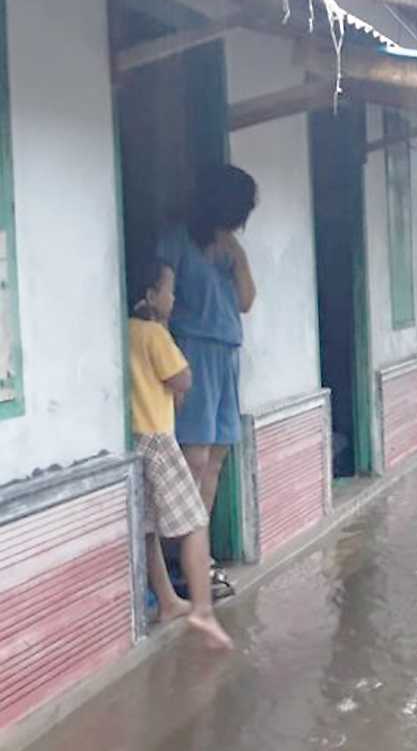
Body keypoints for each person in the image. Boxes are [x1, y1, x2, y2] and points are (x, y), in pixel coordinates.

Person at [157, 164, 258, 594]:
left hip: (225, 353)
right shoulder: (177, 239)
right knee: (192, 458)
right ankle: (177, 560)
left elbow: (247, 301)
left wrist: (238, 257)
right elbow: (162, 301)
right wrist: (168, 361)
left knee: (214, 457)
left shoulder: (231, 248)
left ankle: (199, 555)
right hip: (190, 352)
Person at [129, 260, 234, 650]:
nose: (174, 298)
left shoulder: (123, 330)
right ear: (153, 297)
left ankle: (169, 601)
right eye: (170, 290)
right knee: (192, 520)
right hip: (158, 437)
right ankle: (201, 610)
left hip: (132, 440)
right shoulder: (154, 333)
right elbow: (183, 379)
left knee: (148, 528)